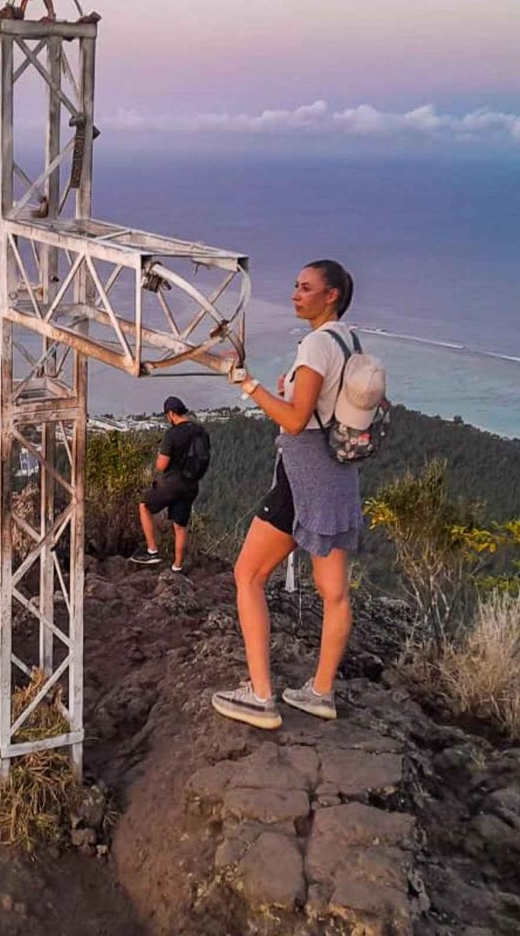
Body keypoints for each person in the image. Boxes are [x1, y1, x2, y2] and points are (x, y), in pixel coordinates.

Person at [212, 259, 382, 729]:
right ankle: (321, 692)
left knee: (247, 575)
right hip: (339, 476)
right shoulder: (350, 340)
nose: (295, 294)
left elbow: (294, 419)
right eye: (295, 286)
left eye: (306, 288)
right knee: (335, 593)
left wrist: (248, 384)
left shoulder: (315, 345)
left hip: (302, 476)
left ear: (331, 296)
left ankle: (261, 696)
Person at [130, 396, 209, 573]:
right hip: (192, 484)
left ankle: (152, 551)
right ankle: (177, 566)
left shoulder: (172, 434)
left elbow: (161, 465)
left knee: (144, 505)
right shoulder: (201, 432)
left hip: (173, 483)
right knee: (180, 526)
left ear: (171, 414)